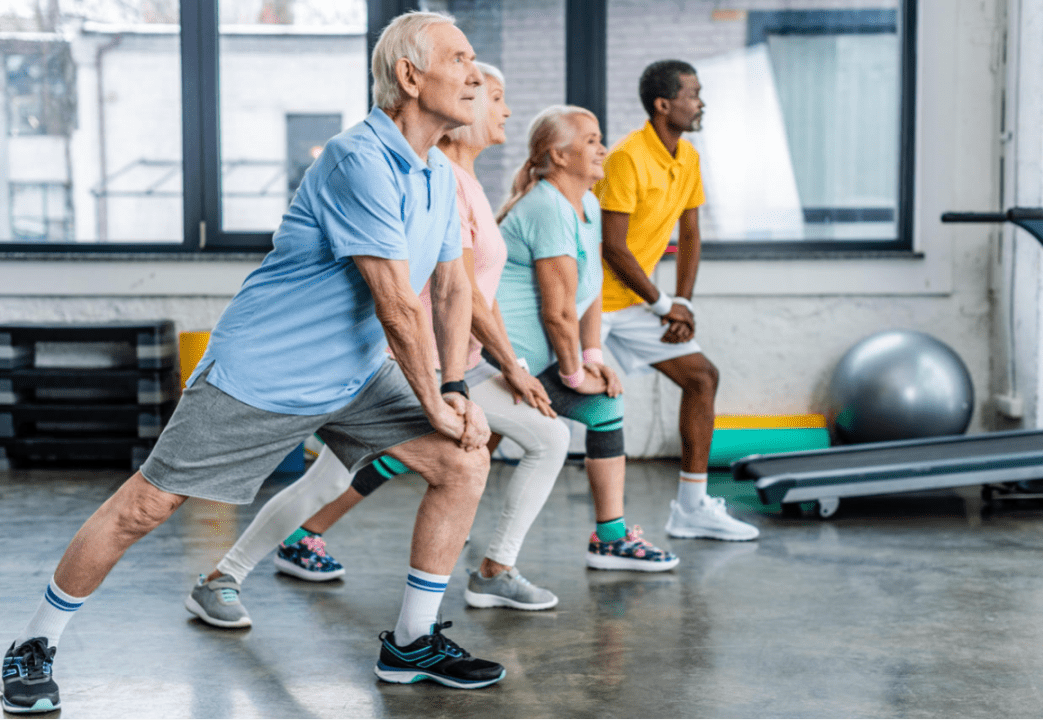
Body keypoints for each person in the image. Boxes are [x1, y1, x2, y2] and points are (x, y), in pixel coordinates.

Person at [1, 12, 506, 712]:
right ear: (410, 76)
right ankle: (34, 643)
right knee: (148, 505)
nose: (476, 73)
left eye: (475, 59)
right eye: (461, 58)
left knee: (461, 461)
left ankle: (411, 643)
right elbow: (397, 302)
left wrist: (454, 388)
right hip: (263, 374)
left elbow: (450, 287)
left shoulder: (435, 175)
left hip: (354, 374)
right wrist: (437, 404)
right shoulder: (357, 158)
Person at [183, 62, 571, 624]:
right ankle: (490, 572)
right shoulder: (443, 181)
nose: (505, 109)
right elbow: (449, 292)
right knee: (544, 438)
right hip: (418, 366)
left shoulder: (463, 181)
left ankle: (228, 574)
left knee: (336, 479)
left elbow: (471, 292)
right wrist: (499, 369)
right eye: (494, 96)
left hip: (453, 368)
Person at [494, 104, 679, 572]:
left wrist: (592, 357)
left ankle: (611, 539)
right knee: (425, 450)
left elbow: (589, 291)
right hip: (502, 362)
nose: (602, 148)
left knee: (604, 407)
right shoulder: (546, 206)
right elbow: (556, 312)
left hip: (536, 363)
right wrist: (574, 374)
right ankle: (308, 531)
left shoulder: (587, 204)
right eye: (592, 140)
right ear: (558, 156)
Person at [593, 59, 759, 542]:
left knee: (702, 376)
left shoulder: (687, 159)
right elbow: (613, 248)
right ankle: (461, 486)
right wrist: (666, 305)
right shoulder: (626, 156)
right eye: (693, 93)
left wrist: (683, 304)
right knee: (527, 399)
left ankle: (691, 508)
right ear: (664, 105)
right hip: (593, 302)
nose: (701, 102)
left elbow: (690, 234)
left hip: (636, 302)